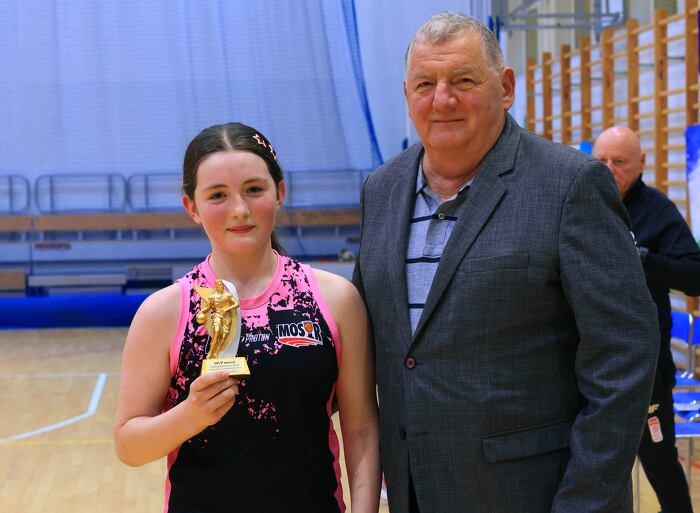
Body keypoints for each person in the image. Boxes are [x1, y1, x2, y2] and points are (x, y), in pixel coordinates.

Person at [352, 12, 659, 513]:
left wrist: (585, 503)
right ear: (407, 95)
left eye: (464, 80)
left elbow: (623, 359)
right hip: (414, 493)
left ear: (507, 87)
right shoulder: (381, 189)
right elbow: (372, 345)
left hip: (536, 496)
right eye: (426, 84)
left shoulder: (570, 184)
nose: (443, 99)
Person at [114, 122, 380, 513]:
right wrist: (190, 415)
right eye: (217, 195)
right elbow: (128, 446)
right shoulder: (164, 312)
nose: (239, 209)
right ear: (191, 207)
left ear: (280, 192)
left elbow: (361, 428)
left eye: (254, 189)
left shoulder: (335, 299)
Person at [594, 125, 700, 513]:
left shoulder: (658, 210)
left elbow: (694, 277)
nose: (609, 169)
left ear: (641, 163)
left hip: (646, 364)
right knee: (592, 464)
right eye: (601, 161)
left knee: (658, 460)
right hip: (588, 359)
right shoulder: (579, 204)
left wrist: (646, 260)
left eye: (620, 161)